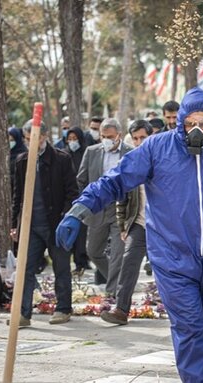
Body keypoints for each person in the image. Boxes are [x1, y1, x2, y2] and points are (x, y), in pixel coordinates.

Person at [56, 87, 203, 382]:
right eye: (190, 122)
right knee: (190, 328)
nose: (197, 129)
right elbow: (115, 180)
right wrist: (79, 210)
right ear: (180, 120)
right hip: (172, 258)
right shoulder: (156, 149)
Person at [10, 119, 78, 327]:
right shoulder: (21, 161)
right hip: (31, 226)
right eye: (27, 139)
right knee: (26, 269)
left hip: (56, 224)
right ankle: (23, 313)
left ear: (45, 137)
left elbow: (72, 193)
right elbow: (17, 196)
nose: (30, 143)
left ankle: (63, 308)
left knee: (61, 268)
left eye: (34, 139)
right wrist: (14, 224)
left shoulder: (61, 159)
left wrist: (66, 218)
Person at [100, 120, 152, 325]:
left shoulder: (164, 159)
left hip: (164, 226)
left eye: (143, 137)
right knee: (128, 263)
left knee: (169, 269)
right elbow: (122, 197)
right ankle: (121, 310)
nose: (139, 142)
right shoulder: (130, 162)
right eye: (136, 138)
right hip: (138, 223)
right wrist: (123, 225)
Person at [77, 118, 132, 295]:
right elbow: (82, 179)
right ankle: (116, 281)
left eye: (110, 136)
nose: (106, 140)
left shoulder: (130, 153)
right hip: (97, 209)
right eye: (103, 136)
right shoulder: (91, 152)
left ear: (119, 135)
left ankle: (112, 293)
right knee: (93, 251)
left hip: (120, 210)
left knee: (117, 255)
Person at [63, 126, 90, 274]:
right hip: (68, 199)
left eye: (75, 139)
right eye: (70, 139)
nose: (72, 142)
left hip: (83, 198)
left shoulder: (86, 153)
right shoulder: (64, 155)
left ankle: (82, 261)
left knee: (82, 232)